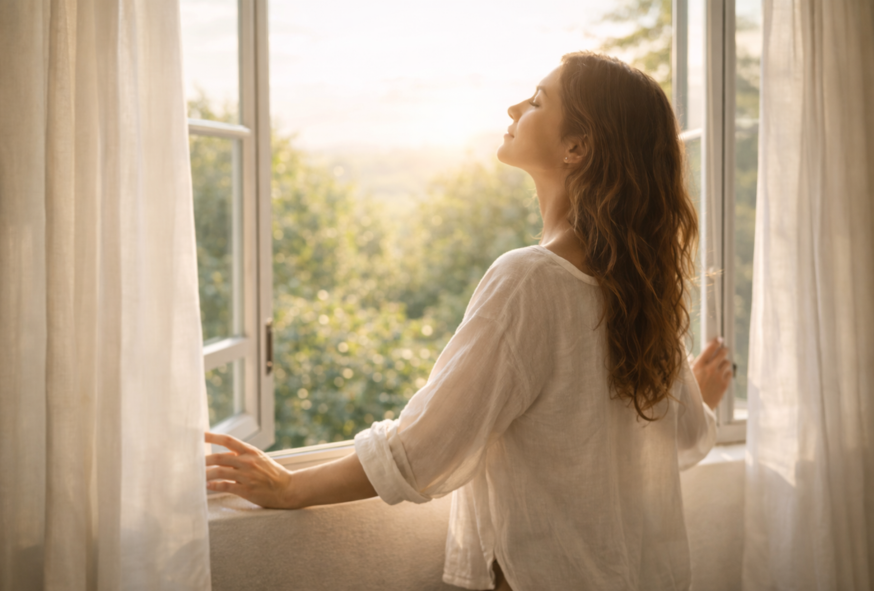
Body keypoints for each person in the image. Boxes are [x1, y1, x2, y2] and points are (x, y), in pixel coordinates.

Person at [204, 52, 733, 591]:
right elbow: (685, 434)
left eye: (536, 101)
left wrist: (291, 487)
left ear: (577, 147)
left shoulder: (530, 279)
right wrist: (700, 392)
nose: (513, 107)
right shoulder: (642, 290)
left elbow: (424, 447)